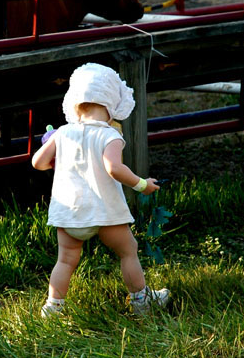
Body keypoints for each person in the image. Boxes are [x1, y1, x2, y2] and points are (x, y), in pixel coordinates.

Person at [31, 62, 170, 318]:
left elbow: (37, 163)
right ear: (110, 107)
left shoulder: (62, 134)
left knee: (65, 260)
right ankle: (141, 302)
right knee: (128, 251)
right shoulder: (110, 136)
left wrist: (54, 151)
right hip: (105, 212)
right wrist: (142, 185)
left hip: (70, 213)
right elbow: (114, 168)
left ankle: (53, 307)